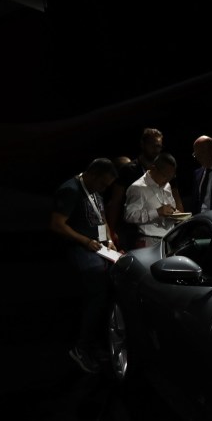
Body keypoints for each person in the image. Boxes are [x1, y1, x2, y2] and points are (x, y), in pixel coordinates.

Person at [49, 158, 119, 374]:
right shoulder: (71, 190)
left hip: (98, 248)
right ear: (93, 175)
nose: (105, 188)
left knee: (108, 289)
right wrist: (84, 241)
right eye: (103, 184)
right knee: (97, 290)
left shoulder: (94, 188)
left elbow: (100, 217)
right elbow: (56, 224)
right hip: (82, 250)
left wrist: (110, 240)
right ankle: (81, 348)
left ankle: (95, 344)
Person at [105, 128, 185, 249]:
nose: (155, 149)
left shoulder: (168, 173)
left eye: (158, 146)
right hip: (135, 234)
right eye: (152, 145)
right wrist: (110, 232)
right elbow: (115, 203)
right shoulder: (128, 171)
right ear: (143, 144)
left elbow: (175, 197)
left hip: (167, 236)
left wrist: (179, 216)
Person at [123, 153, 181, 248]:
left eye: (171, 177)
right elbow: (129, 216)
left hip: (169, 239)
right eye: (165, 175)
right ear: (153, 168)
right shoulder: (138, 188)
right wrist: (157, 212)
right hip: (149, 240)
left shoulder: (167, 185)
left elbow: (170, 207)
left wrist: (175, 214)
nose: (167, 180)